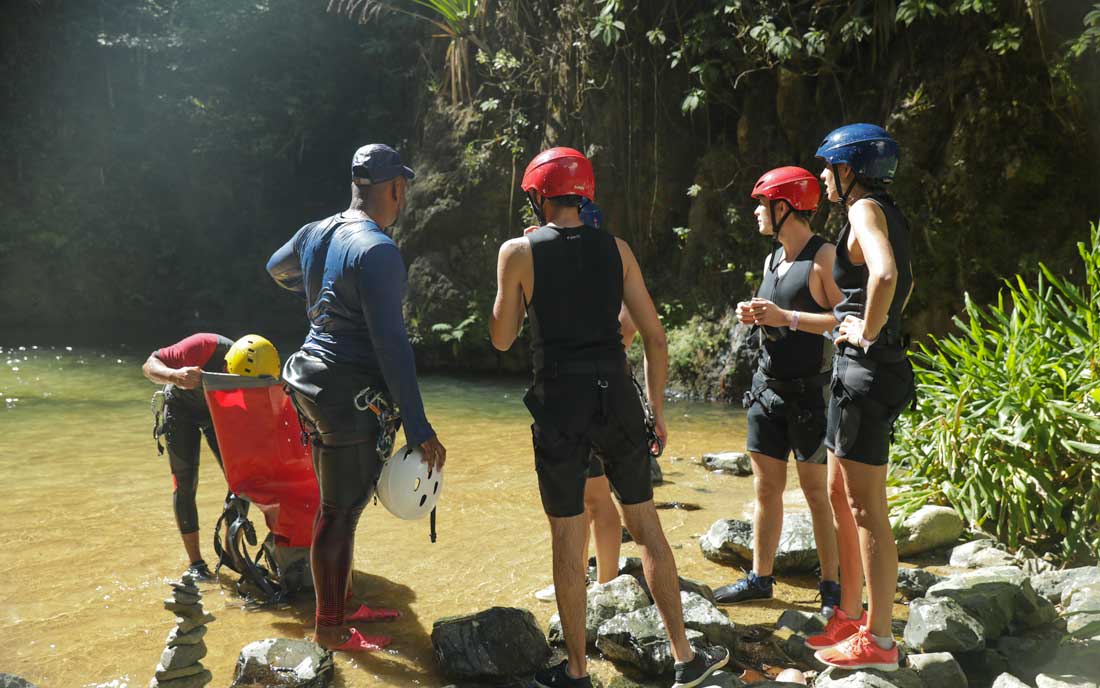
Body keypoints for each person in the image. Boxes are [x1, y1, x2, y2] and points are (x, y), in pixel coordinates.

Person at [491, 147, 728, 688]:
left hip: (560, 403)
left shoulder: (518, 251)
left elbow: (502, 338)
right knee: (645, 525)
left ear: (537, 195)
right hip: (617, 396)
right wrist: (657, 410)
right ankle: (684, 657)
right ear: (584, 195)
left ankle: (576, 670)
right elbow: (654, 335)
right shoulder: (617, 249)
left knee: (567, 538)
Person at [266, 143, 447, 653]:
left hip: (308, 379)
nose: (404, 196)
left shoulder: (314, 234)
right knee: (339, 511)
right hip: (348, 391)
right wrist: (419, 426)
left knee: (340, 505)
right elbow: (393, 346)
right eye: (403, 188)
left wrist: (319, 294)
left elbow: (274, 268)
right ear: (394, 189)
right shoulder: (379, 251)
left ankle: (343, 606)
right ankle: (330, 629)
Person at [803, 124, 915, 671]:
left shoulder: (864, 210)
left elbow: (886, 274)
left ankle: (881, 640)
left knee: (867, 508)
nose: (824, 175)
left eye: (830, 166)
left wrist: (865, 332)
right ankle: (849, 615)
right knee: (838, 490)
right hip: (861, 372)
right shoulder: (887, 209)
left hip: (866, 370)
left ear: (852, 170)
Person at [714, 167, 842, 613]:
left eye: (761, 204)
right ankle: (760, 577)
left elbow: (846, 321)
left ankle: (831, 587)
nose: (756, 212)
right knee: (766, 489)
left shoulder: (823, 256)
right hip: (766, 390)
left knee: (815, 493)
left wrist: (785, 317)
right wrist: (752, 313)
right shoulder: (773, 260)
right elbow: (774, 310)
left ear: (783, 206)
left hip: (809, 395)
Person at [142, 333, 280, 579]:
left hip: (221, 413)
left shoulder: (263, 374)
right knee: (185, 483)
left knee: (242, 479)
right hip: (180, 407)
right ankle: (196, 564)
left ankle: (232, 556)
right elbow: (149, 365)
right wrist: (175, 375)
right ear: (228, 365)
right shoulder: (202, 347)